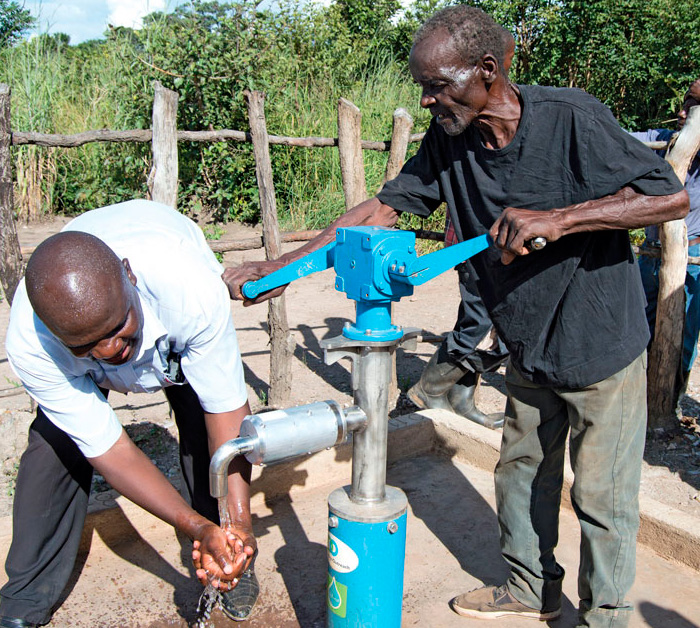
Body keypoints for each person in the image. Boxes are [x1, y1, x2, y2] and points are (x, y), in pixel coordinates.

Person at [222, 6, 689, 627]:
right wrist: (283, 266)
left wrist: (561, 219)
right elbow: (384, 208)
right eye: (423, 85)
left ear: (487, 71)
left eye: (438, 85)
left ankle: (606, 614)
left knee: (601, 494)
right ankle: (529, 588)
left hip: (599, 338)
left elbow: (670, 195)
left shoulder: (570, 118)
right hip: (526, 339)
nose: (428, 97)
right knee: (521, 474)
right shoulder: (451, 136)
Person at [1, 200, 259, 628]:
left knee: (201, 423)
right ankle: (25, 596)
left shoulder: (188, 287)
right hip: (92, 314)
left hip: (169, 323)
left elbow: (229, 418)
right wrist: (192, 526)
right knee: (53, 448)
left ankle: (233, 554)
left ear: (130, 275)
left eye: (120, 331)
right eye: (89, 347)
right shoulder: (32, 341)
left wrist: (241, 521)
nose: (112, 353)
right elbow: (113, 453)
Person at [408, 27, 514, 429]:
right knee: (478, 320)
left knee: (499, 328)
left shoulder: (508, 114)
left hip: (505, 246)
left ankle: (460, 396)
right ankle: (429, 388)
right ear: (488, 66)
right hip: (473, 244)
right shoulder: (458, 121)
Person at [632, 78, 700, 402]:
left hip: (692, 263)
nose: (685, 113)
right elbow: (621, 139)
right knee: (636, 329)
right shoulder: (660, 141)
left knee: (680, 337)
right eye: (687, 103)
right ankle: (632, 403)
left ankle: (667, 402)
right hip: (649, 256)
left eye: (696, 107)